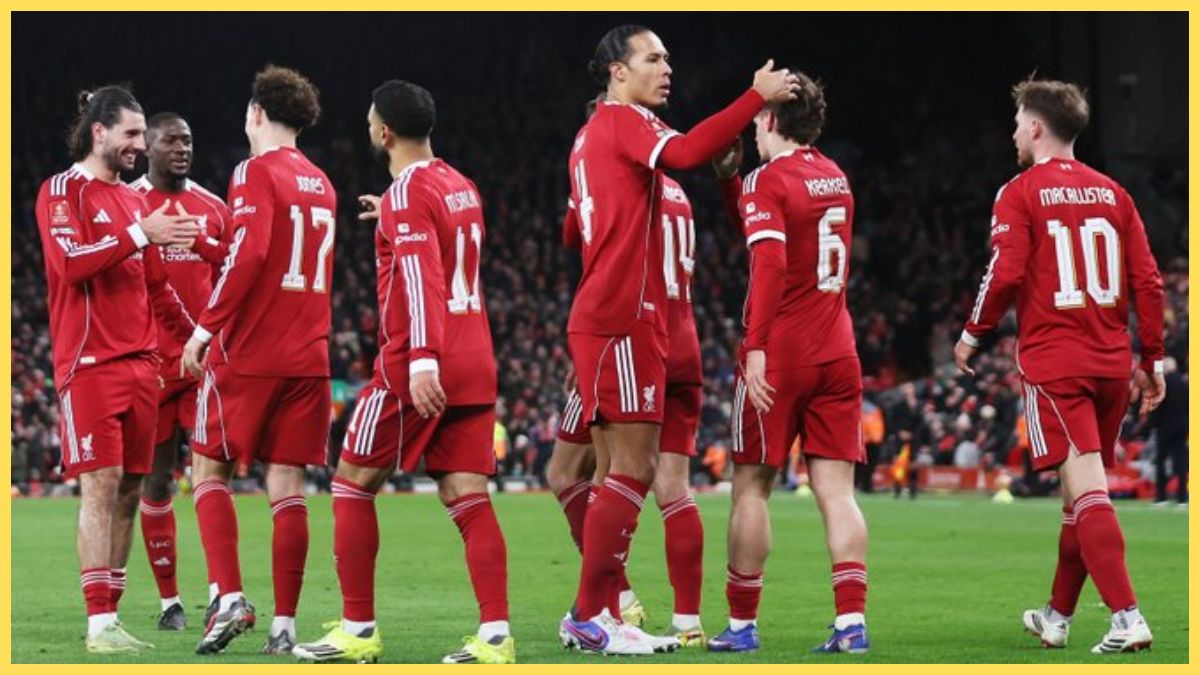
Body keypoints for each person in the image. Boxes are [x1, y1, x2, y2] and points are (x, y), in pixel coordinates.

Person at [558, 24, 799, 657]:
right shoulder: (625, 125)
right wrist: (753, 97)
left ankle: (601, 612)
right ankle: (600, 613)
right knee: (645, 476)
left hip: (625, 319)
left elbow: (572, 232)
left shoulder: (597, 139)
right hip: (630, 320)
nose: (667, 68)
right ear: (617, 72)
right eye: (653, 58)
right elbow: (691, 153)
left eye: (667, 58)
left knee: (620, 472)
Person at [291, 79, 513, 665]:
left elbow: (422, 277)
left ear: (384, 131)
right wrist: (390, 215)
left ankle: (358, 630)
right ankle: (496, 636)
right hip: (476, 356)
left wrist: (420, 360)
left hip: (418, 361)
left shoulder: (410, 192)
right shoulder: (458, 183)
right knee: (467, 492)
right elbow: (442, 253)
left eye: (370, 121)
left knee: (350, 483)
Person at [954, 77, 1165, 654]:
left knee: (1088, 491)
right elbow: (1147, 281)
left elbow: (1007, 272)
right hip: (1109, 365)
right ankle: (1056, 616)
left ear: (1039, 128)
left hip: (1056, 363)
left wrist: (973, 333)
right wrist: (1152, 360)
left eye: (1019, 122)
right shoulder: (1115, 194)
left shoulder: (1018, 192)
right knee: (1080, 498)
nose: (1014, 131)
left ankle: (1126, 616)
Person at [708, 72, 870, 655]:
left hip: (780, 357)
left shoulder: (768, 179)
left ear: (773, 119)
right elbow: (764, 231)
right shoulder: (835, 176)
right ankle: (851, 624)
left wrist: (755, 345)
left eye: (756, 120)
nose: (751, 130)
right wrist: (732, 185)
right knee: (837, 491)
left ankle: (742, 626)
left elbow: (771, 263)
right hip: (838, 350)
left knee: (751, 487)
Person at [34, 85, 200, 653]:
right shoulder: (62, 192)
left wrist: (201, 337)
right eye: (131, 134)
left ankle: (114, 614)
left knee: (132, 488)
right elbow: (69, 265)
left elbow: (156, 288)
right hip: (90, 365)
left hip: (143, 365)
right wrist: (138, 234)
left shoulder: (134, 202)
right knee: (100, 487)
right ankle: (98, 621)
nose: (139, 145)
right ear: (99, 132)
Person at [182, 65, 336, 656]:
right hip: (309, 355)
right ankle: (285, 628)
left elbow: (251, 259)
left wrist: (204, 328)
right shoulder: (322, 183)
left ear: (256, 114)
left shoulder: (253, 171)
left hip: (250, 353)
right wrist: (210, 244)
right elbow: (274, 258)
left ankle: (229, 596)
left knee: (209, 469)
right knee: (287, 486)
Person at [550, 168, 707, 646]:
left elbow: (574, 237)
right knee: (673, 486)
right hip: (685, 339)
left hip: (634, 339)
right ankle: (687, 622)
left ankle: (607, 605)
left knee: (599, 475)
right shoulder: (677, 191)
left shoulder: (618, 183)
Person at [129, 112, 231, 631]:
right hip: (149, 365)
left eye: (187, 140)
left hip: (204, 363)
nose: (181, 148)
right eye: (170, 140)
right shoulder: (130, 206)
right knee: (156, 482)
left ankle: (221, 593)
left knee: (211, 474)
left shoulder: (213, 207)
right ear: (147, 146)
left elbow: (233, 277)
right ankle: (170, 601)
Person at [1150, 357, 1187, 507]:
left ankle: (1161, 496)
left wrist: (1153, 424)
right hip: (1181, 428)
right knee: (1181, 462)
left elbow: (1156, 407)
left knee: (1161, 461)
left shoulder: (1162, 384)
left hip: (1164, 428)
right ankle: (1182, 497)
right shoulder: (1185, 384)